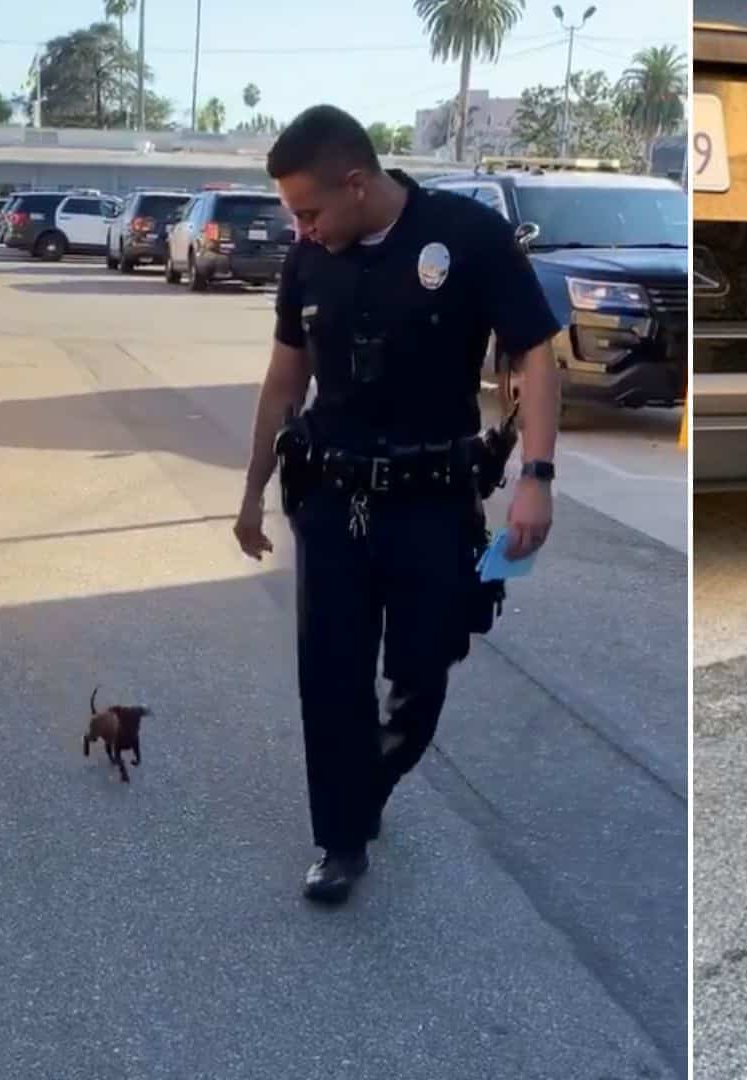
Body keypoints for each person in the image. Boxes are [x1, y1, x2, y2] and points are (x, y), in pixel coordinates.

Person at [233, 104, 561, 905]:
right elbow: (285, 380)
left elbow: (536, 353)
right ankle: (340, 839)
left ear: (357, 183)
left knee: (425, 668)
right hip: (332, 500)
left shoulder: (467, 237)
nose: (300, 229)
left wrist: (537, 475)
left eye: (309, 211)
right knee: (331, 678)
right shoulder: (308, 261)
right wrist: (249, 491)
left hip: (432, 505)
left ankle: (367, 783)